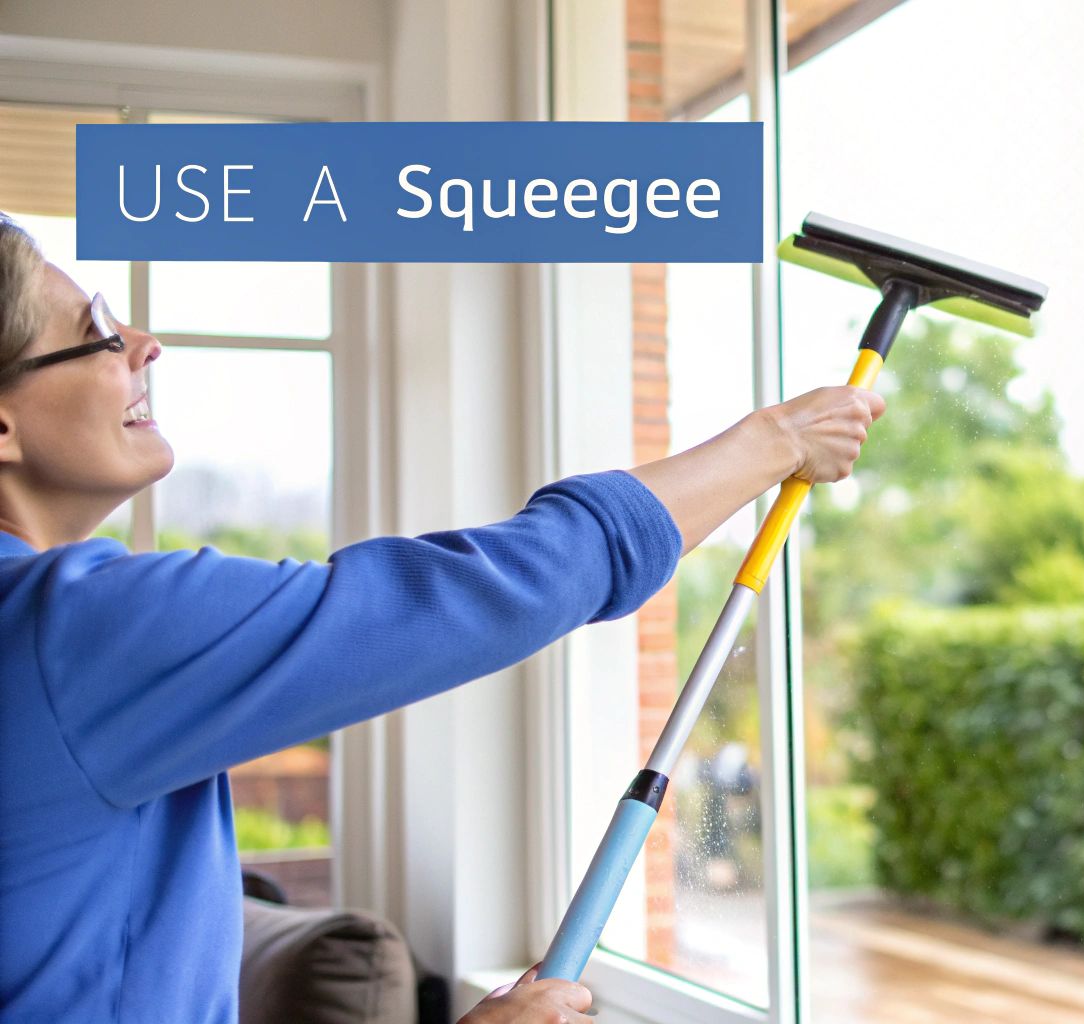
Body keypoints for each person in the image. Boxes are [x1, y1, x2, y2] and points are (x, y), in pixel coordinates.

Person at [0, 213, 884, 1023]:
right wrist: (773, 442)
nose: (145, 344)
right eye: (98, 329)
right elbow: (482, 591)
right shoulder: (68, 631)